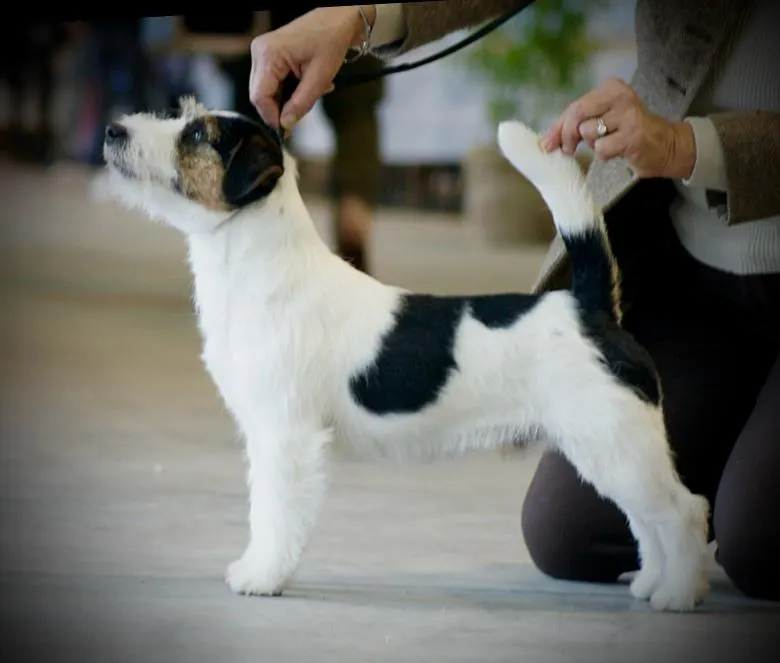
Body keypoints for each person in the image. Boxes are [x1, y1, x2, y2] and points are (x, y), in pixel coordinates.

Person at [247, 1, 780, 602]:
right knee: (566, 533)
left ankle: (692, 522)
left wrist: (687, 144)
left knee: (761, 545)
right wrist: (360, 17)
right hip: (696, 275)